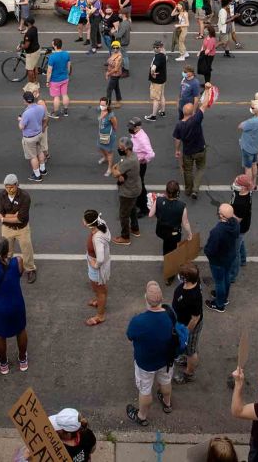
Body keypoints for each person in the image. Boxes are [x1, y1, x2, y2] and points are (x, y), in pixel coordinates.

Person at [125, 280, 176, 427]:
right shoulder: (170, 316)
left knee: (145, 390)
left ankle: (142, 416)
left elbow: (130, 337)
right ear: (161, 299)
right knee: (166, 382)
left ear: (146, 298)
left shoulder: (138, 321)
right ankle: (167, 404)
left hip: (145, 362)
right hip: (166, 359)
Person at [0, 237, 29, 373]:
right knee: (21, 330)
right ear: (7, 250)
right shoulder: (18, 261)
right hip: (16, 302)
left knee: (0, 335)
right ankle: (22, 360)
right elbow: (20, 274)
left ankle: (3, 364)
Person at [0, 174, 37, 282]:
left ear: (17, 185)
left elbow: (20, 219)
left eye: (11, 187)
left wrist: (4, 218)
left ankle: (30, 269)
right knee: (6, 251)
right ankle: (7, 267)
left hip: (22, 228)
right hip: (7, 228)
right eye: (7, 187)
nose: (9, 189)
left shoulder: (25, 196)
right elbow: (0, 213)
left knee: (27, 249)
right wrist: (13, 216)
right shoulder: (2, 195)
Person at [203, 203, 240, 312]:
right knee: (226, 277)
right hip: (230, 256)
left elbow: (210, 249)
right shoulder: (235, 224)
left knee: (219, 281)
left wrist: (206, 251)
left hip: (218, 261)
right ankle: (224, 297)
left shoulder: (217, 231)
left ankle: (219, 304)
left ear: (222, 216)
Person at [154, 180, 192, 280]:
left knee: (166, 247)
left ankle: (167, 261)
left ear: (166, 191)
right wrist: (190, 234)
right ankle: (170, 274)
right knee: (172, 250)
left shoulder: (159, 200)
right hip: (174, 234)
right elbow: (185, 223)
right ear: (178, 192)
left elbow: (152, 214)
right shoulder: (181, 206)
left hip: (162, 231)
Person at [84, 209, 113, 325]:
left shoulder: (97, 238)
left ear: (87, 223)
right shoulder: (101, 223)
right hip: (99, 264)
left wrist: (94, 264)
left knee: (100, 291)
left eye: (84, 219)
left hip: (97, 269)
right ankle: (99, 300)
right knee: (99, 289)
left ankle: (100, 316)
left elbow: (100, 259)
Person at [111, 138, 142, 244]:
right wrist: (118, 171)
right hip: (135, 188)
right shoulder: (132, 155)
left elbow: (115, 172)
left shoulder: (129, 161)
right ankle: (135, 229)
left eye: (121, 148)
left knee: (123, 215)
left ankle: (125, 237)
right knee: (132, 209)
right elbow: (120, 166)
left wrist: (113, 169)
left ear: (127, 148)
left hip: (128, 192)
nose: (119, 149)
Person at [19, 90, 49, 183]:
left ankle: (37, 175)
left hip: (30, 137)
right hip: (39, 134)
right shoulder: (40, 108)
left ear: (25, 101)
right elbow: (44, 118)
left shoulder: (26, 113)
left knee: (33, 157)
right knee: (40, 151)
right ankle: (43, 169)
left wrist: (20, 119)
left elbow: (21, 127)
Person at [47, 37, 71, 118]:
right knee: (64, 94)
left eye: (52, 44)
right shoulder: (66, 54)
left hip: (55, 80)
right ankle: (65, 111)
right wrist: (66, 74)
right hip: (65, 78)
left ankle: (55, 113)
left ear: (55, 46)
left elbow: (49, 71)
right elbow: (68, 67)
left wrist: (47, 81)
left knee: (56, 97)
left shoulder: (52, 57)